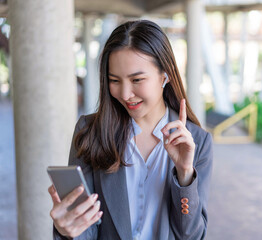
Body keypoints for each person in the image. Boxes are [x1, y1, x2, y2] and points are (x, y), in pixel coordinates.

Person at [48, 19, 213, 240]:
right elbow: (87, 230)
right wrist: (68, 230)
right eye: (114, 80)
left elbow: (192, 235)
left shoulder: (197, 142)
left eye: (137, 79)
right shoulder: (91, 132)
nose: (125, 94)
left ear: (166, 75)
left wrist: (185, 176)